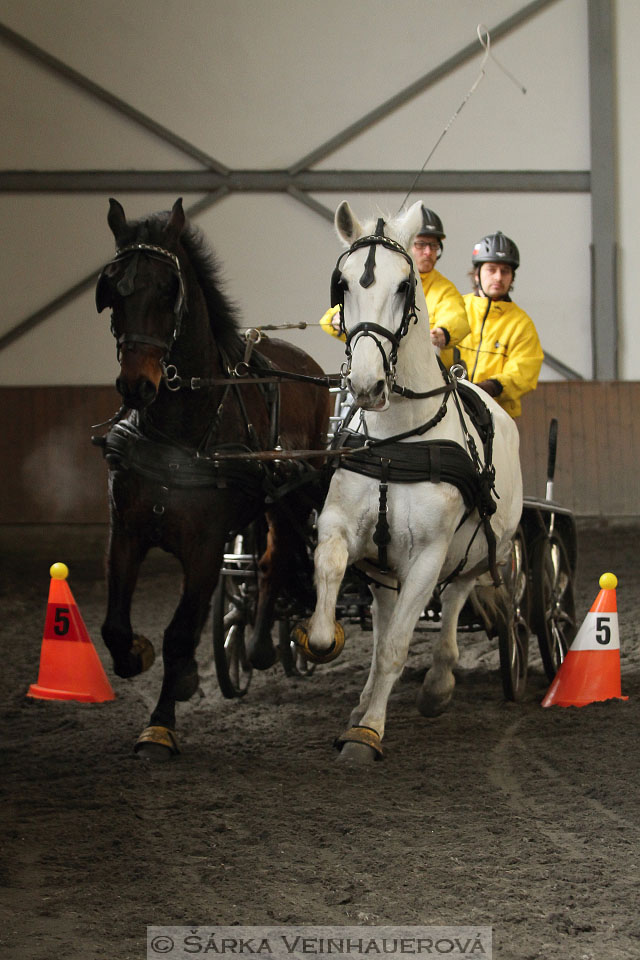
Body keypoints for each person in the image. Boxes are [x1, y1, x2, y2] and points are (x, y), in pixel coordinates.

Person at [320, 204, 469, 370]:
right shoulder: (382, 280)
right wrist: (336, 320)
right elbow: (358, 304)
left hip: (432, 369)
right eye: (421, 244)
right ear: (407, 243)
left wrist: (444, 332)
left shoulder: (446, 289)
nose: (428, 252)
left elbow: (458, 317)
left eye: (433, 246)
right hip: (382, 365)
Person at [457, 231, 544, 418]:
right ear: (477, 274)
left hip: (496, 416)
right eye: (491, 269)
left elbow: (524, 370)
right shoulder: (455, 308)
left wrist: (492, 386)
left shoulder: (522, 324)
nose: (498, 277)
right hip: (450, 408)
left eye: (505, 271)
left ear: (512, 277)